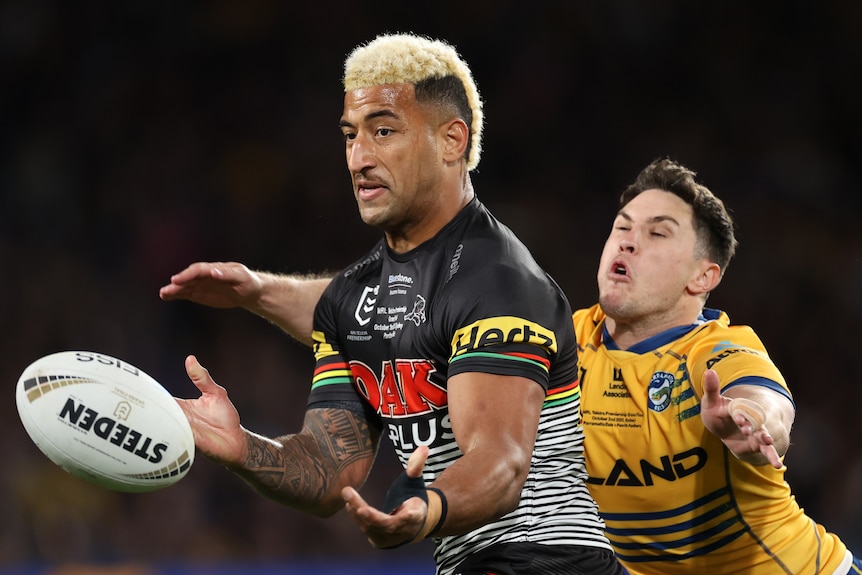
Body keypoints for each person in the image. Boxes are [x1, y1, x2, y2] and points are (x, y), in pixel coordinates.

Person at [160, 33, 626, 575]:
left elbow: (501, 465)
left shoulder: (498, 281)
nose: (359, 158)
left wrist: (427, 509)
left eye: (384, 131)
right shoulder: (353, 301)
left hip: (554, 561)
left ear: (453, 141)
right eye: (350, 136)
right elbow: (329, 470)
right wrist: (243, 449)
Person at [572, 158, 862, 574]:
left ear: (703, 277)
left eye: (657, 233)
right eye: (622, 226)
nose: (627, 242)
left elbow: (763, 400)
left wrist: (753, 422)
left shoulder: (715, 348)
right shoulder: (564, 341)